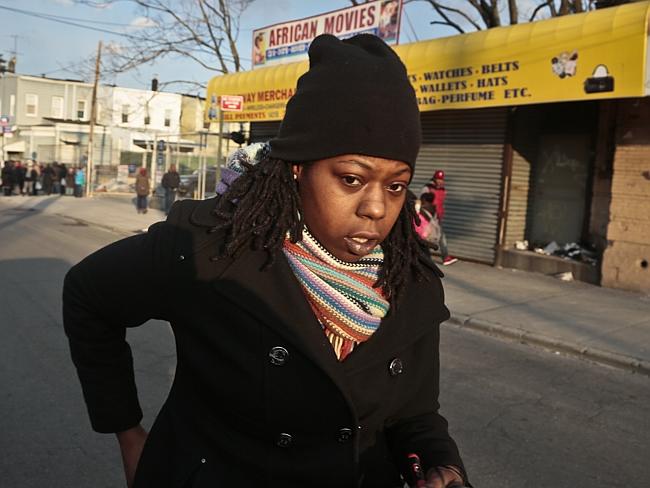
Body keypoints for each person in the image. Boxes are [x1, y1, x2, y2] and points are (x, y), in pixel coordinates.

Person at [63, 34, 470, 488]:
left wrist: (439, 464)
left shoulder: (410, 280)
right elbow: (87, 295)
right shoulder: (213, 248)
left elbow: (414, 413)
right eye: (352, 179)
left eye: (396, 185)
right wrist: (128, 432)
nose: (376, 208)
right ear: (298, 167)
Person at [422, 170, 457, 265]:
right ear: (434, 178)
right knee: (430, 236)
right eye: (438, 179)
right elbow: (423, 201)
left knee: (438, 236)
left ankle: (443, 258)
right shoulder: (428, 188)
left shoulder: (443, 190)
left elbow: (441, 203)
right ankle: (444, 258)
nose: (440, 181)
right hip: (429, 216)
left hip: (438, 216)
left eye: (442, 179)